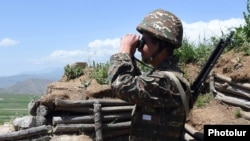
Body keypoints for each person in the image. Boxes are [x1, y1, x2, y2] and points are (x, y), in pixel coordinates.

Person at [108, 8, 191, 141]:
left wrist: (123, 52)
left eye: (144, 42)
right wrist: (129, 57)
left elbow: (121, 86)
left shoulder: (167, 82)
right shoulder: (162, 77)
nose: (140, 47)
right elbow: (138, 83)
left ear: (161, 44)